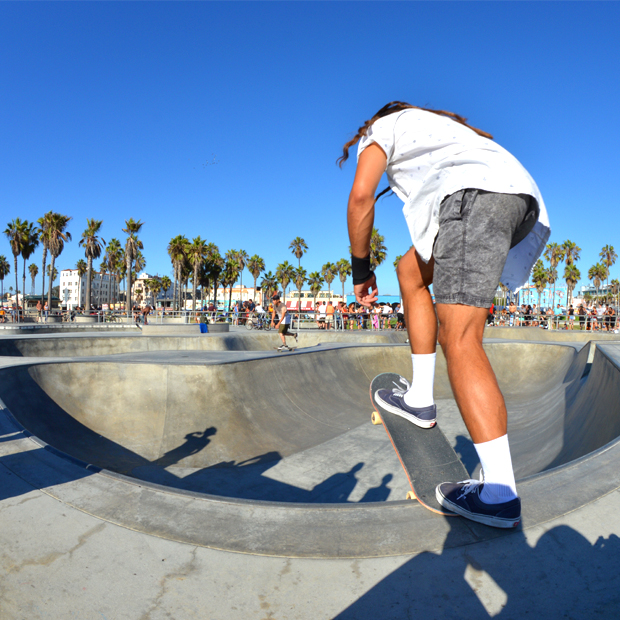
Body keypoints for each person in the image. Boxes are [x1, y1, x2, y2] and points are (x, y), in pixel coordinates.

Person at [342, 101, 549, 528]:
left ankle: (499, 493)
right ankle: (419, 398)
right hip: (518, 201)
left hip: (474, 199)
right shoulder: (438, 128)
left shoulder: (382, 127)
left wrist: (360, 270)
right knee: (408, 270)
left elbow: (361, 197)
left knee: (460, 338)